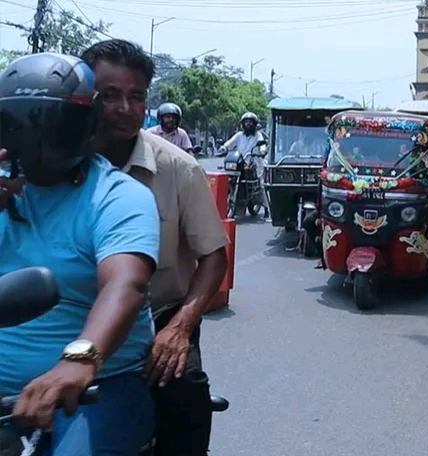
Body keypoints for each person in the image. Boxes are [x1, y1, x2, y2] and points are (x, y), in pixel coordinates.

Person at [0, 52, 160, 455]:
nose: (36, 142)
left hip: (95, 388)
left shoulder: (118, 197)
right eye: (20, 126)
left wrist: (80, 360)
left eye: (52, 126)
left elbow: (126, 285)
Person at [82, 39, 229, 456]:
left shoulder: (178, 168)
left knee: (184, 391)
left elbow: (213, 255)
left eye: (136, 96)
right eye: (110, 95)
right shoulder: (58, 162)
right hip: (74, 316)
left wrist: (179, 328)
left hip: (157, 318)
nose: (124, 108)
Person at [220, 112, 270, 218]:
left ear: (254, 124)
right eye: (246, 122)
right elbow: (230, 143)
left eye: (250, 122)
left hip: (254, 163)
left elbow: (262, 145)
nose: (248, 124)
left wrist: (262, 151)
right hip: (239, 162)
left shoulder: (258, 136)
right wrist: (224, 148)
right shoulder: (239, 135)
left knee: (260, 186)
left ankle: (266, 208)